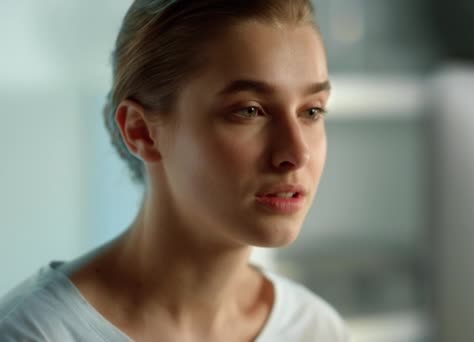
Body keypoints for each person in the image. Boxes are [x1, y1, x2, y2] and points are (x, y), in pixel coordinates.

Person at [0, 0, 349, 340]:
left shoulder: (316, 330)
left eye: (312, 111)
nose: (296, 153)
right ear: (142, 132)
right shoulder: (34, 333)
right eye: (249, 111)